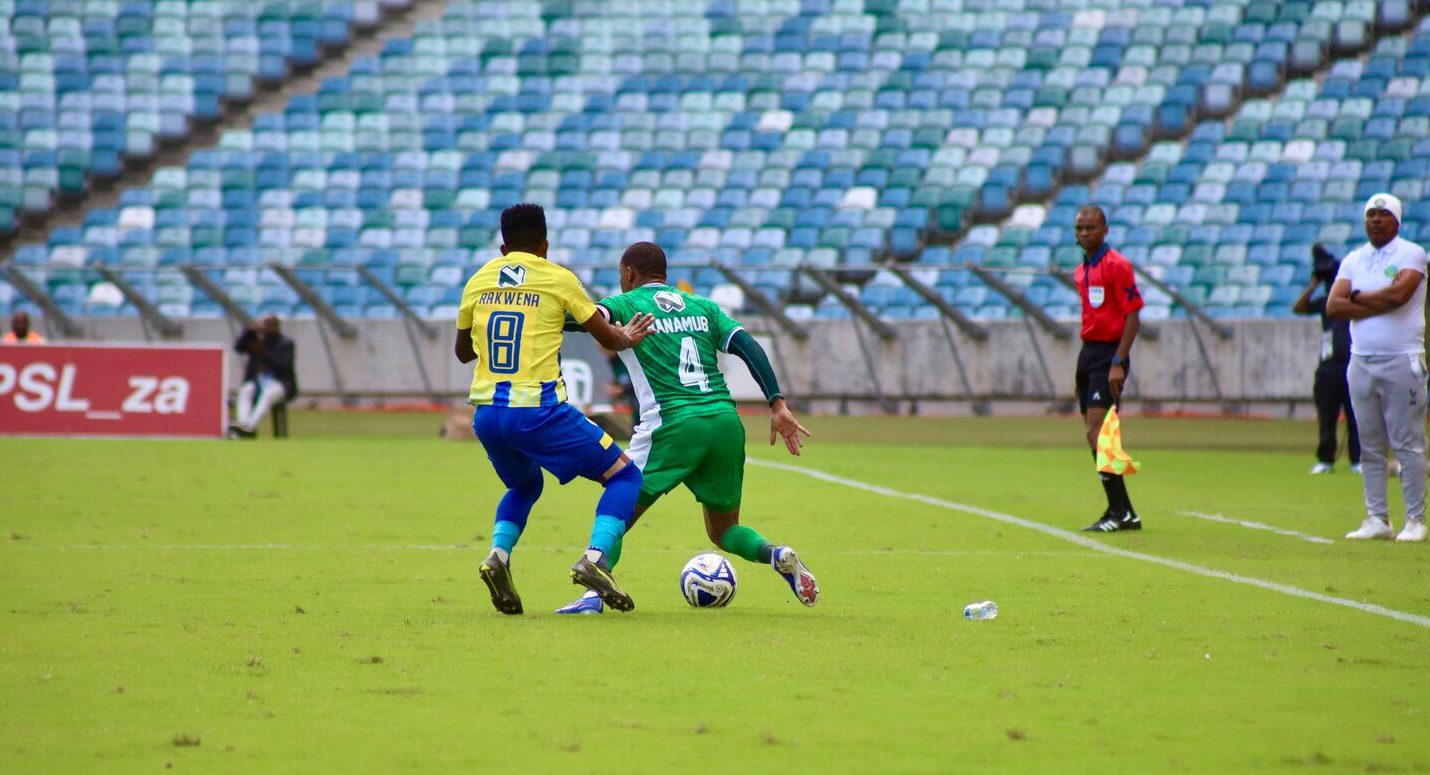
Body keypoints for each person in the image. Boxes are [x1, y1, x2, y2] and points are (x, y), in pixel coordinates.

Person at [556, 242, 817, 615]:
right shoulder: (703, 306)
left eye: (621, 274)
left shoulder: (625, 304)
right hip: (725, 421)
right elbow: (747, 346)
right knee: (723, 530)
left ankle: (592, 594)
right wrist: (777, 402)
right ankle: (776, 554)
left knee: (619, 495)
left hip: (673, 424)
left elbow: (583, 319)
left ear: (628, 273)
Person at [454, 203, 656, 615]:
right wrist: (627, 337)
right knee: (624, 476)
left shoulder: (478, 280)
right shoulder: (558, 278)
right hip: (538, 409)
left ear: (503, 245)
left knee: (524, 486)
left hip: (488, 414)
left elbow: (461, 353)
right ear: (545, 245)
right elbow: (608, 339)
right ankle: (596, 559)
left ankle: (499, 555)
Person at [1326, 193, 1428, 543]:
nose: (1375, 220)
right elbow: (1334, 306)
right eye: (1371, 214)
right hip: (1362, 359)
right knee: (1369, 444)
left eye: (1383, 215)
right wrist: (1374, 299)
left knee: (1408, 442)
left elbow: (1399, 296)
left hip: (1401, 358)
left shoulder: (1411, 253)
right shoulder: (1355, 259)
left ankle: (1415, 519)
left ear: (1396, 221)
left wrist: (1358, 298)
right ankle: (1377, 517)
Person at [1072, 205, 1145, 533]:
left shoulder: (1117, 265)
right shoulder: (1082, 269)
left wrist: (1118, 361)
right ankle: (1123, 511)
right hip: (1089, 353)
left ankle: (1120, 511)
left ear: (1105, 230)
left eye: (1090, 227)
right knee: (1097, 432)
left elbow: (1133, 315)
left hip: (1108, 355)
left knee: (1098, 430)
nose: (1084, 233)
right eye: (1079, 228)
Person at [1293, 244, 1361, 475]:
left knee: (1357, 416)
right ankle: (1325, 460)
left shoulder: (1354, 298)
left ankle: (1358, 460)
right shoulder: (1325, 302)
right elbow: (1299, 307)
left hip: (1353, 363)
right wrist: (1313, 284)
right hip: (1329, 366)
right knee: (1327, 416)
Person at [229, 314, 297, 439]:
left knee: (268, 395)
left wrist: (263, 353)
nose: (268, 328)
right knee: (245, 391)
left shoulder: (285, 344)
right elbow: (238, 348)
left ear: (277, 327)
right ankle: (243, 425)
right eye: (265, 324)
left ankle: (249, 426)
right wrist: (248, 332)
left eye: (271, 325)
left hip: (279, 382)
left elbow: (284, 367)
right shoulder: (256, 340)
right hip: (257, 381)